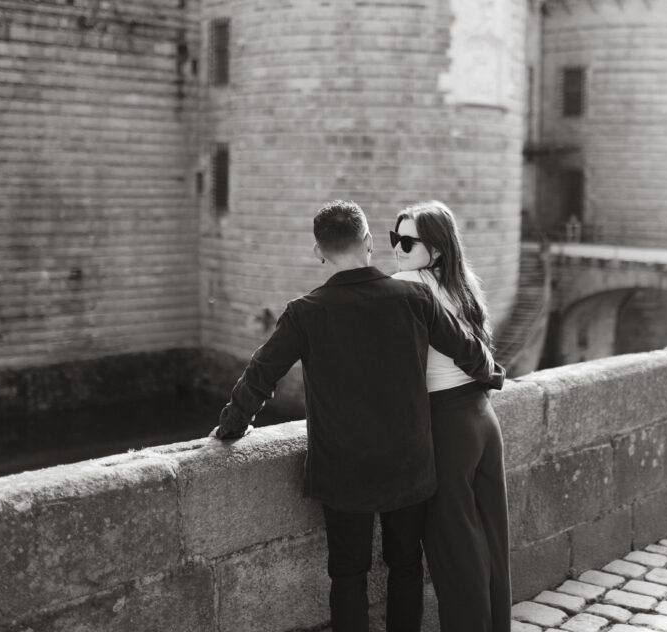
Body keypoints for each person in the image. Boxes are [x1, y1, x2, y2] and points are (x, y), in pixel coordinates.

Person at [211, 199, 503, 632]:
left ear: (319, 251)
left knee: (348, 574)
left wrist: (232, 425)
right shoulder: (414, 297)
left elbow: (261, 375)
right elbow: (468, 351)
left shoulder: (304, 312)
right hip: (408, 463)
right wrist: (492, 376)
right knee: (406, 566)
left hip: (341, 468)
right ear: (368, 242)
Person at [390, 200, 511, 632]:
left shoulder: (407, 284)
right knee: (492, 541)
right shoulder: (462, 286)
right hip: (481, 417)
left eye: (408, 242)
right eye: (394, 239)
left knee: (454, 550)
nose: (397, 249)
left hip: (446, 425)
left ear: (437, 249)